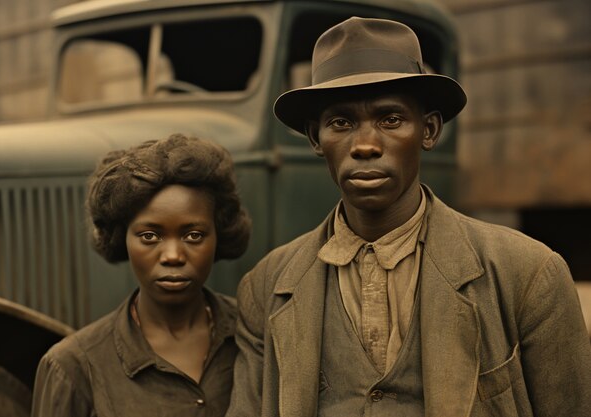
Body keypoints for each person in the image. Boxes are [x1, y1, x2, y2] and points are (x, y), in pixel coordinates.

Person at [226, 17, 591, 417]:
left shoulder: (527, 274)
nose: (365, 145)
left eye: (390, 119)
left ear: (429, 130)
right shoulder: (267, 287)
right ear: (316, 139)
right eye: (341, 123)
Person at [31, 134, 251, 417]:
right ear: (124, 239)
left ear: (218, 236)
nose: (172, 255)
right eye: (149, 236)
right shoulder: (74, 367)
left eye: (194, 235)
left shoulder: (255, 336)